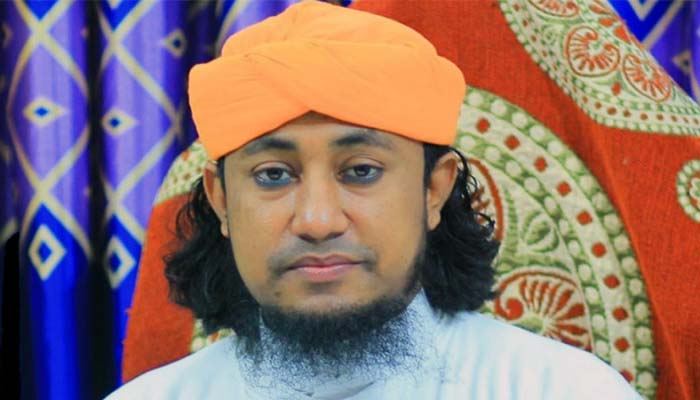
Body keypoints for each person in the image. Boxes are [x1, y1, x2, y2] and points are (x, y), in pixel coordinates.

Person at [107, 1, 642, 399]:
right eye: (273, 175)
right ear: (221, 200)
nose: (318, 220)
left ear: (434, 190)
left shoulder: (558, 389)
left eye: (361, 171)